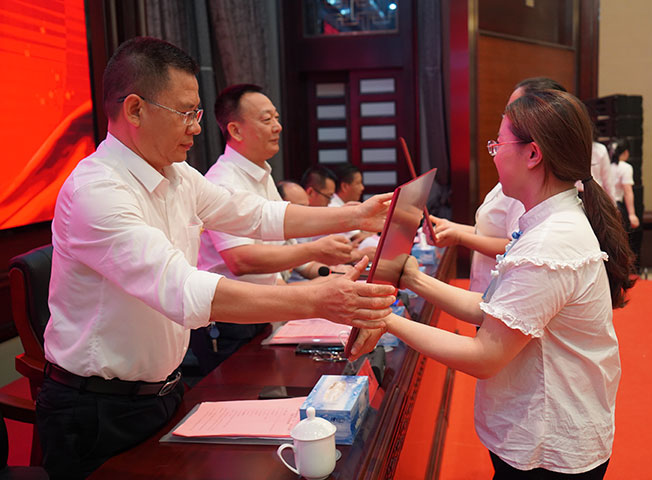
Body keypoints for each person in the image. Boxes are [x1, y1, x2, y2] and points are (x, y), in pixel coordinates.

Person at [37, 37, 395, 479]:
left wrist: (355, 214)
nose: (196, 128)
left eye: (197, 113)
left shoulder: (178, 175)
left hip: (163, 392)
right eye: (185, 113)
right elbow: (183, 288)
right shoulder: (97, 192)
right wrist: (316, 299)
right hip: (97, 409)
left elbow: (255, 214)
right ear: (135, 110)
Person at [354, 89, 636, 478]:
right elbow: (493, 309)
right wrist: (412, 279)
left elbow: (484, 355)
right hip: (547, 425)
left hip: (549, 441)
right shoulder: (548, 221)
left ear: (533, 154)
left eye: (497, 144)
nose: (494, 154)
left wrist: (384, 319)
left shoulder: (550, 242)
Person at [192, 84, 356, 374]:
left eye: (277, 118)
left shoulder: (262, 174)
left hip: (263, 308)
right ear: (236, 130)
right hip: (229, 320)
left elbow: (284, 243)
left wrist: (325, 271)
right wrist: (317, 248)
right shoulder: (222, 181)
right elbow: (241, 259)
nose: (277, 127)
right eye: (267, 120)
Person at [431, 77, 565, 292]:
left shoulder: (530, 188)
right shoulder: (517, 180)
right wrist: (453, 228)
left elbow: (516, 245)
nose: (505, 119)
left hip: (504, 292)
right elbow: (500, 234)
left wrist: (459, 237)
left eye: (513, 112)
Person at [608, 137, 640, 230]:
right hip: (616, 206)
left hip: (602, 205)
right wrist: (632, 214)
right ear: (626, 152)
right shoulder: (626, 167)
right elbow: (627, 191)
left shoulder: (606, 165)